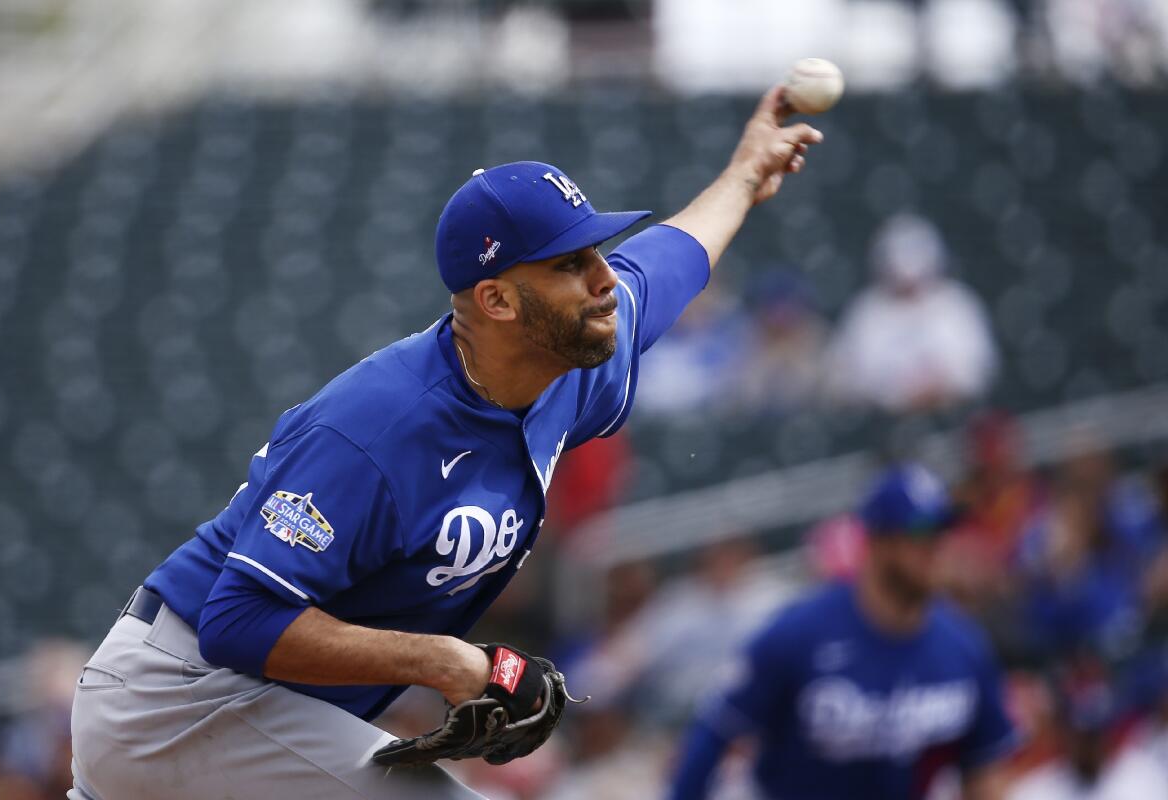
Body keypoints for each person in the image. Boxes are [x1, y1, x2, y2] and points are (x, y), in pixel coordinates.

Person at [67, 86, 823, 800]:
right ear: (495, 299)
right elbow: (238, 621)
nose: (602, 279)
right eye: (570, 263)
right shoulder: (376, 428)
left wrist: (746, 172)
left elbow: (671, 260)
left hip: (257, 709)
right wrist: (445, 661)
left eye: (597, 251)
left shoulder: (566, 360)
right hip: (177, 698)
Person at [669, 464, 1018, 800]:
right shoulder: (800, 633)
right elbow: (715, 731)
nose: (935, 549)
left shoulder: (963, 647)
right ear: (878, 541)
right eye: (919, 534)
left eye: (942, 532)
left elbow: (985, 766)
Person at [824, 213, 997, 412]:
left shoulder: (956, 303)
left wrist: (941, 385)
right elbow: (848, 380)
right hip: (884, 425)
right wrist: (901, 392)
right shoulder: (866, 312)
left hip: (956, 416)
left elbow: (980, 368)